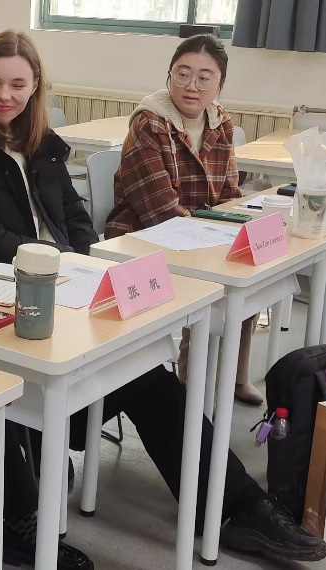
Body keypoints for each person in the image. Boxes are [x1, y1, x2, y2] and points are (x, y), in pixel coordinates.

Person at [0, 30, 326, 565]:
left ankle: (239, 509)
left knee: (151, 382)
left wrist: (85, 264)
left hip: (66, 291)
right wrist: (60, 265)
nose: (5, 95)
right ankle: (25, 522)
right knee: (95, 389)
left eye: (18, 85)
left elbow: (74, 216)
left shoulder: (40, 141)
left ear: (35, 86)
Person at [104, 35, 265, 407]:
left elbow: (229, 192)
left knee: (250, 274)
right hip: (144, 238)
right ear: (169, 75)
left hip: (200, 234)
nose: (192, 86)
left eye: (204, 78)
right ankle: (189, 394)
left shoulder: (220, 122)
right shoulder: (148, 123)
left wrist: (232, 228)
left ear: (220, 85)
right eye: (183, 74)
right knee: (216, 283)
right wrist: (214, 238)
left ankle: (235, 376)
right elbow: (159, 211)